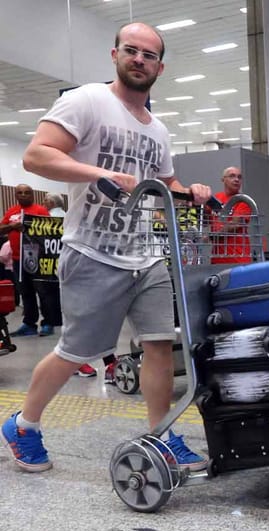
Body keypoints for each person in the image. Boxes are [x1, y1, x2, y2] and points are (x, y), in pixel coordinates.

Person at [3, 22, 211, 473]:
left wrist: (187, 190)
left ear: (160, 66)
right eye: (131, 51)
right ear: (114, 53)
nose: (140, 59)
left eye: (149, 55)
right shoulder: (87, 100)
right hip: (93, 252)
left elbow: (164, 181)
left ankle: (160, 434)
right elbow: (36, 155)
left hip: (146, 253)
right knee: (78, 352)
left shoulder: (158, 128)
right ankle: (24, 424)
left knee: (159, 345)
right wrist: (96, 174)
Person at [43, 194, 93, 376]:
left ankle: (86, 361)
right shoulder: (68, 218)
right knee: (78, 320)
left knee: (90, 319)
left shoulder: (63, 218)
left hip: (87, 268)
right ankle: (76, 361)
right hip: (73, 267)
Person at [0, 184, 59, 338]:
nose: (24, 195)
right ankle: (29, 324)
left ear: (32, 195)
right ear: (16, 195)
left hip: (38, 260)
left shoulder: (40, 211)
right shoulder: (11, 212)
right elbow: (1, 228)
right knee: (25, 292)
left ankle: (48, 323)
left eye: (27, 192)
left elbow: (50, 231)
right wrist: (12, 226)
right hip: (18, 260)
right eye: (20, 193)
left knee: (43, 292)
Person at [211, 166, 252, 264]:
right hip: (217, 258)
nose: (236, 179)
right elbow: (204, 217)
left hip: (238, 258)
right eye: (232, 176)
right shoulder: (216, 198)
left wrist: (211, 236)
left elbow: (235, 224)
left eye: (239, 177)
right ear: (223, 179)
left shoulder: (243, 200)